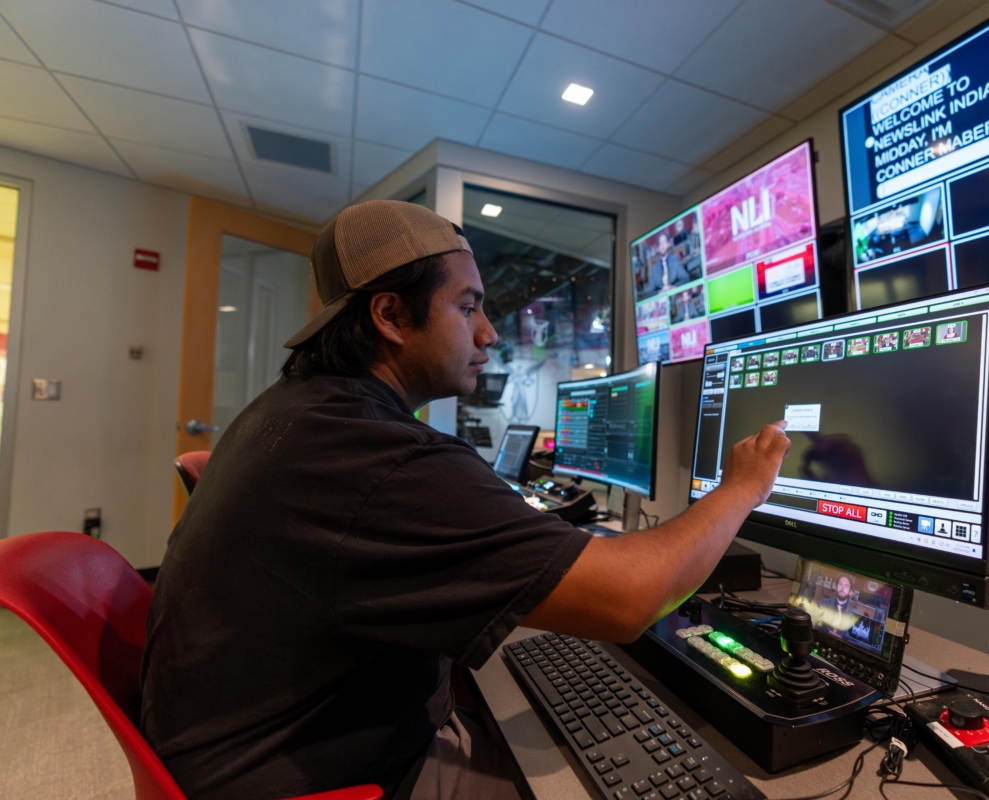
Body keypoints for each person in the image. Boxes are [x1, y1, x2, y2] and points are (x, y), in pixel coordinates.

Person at [141, 201, 792, 800]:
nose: (488, 335)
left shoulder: (292, 412)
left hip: (229, 755)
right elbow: (629, 599)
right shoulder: (383, 459)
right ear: (391, 316)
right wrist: (742, 486)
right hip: (323, 782)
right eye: (467, 307)